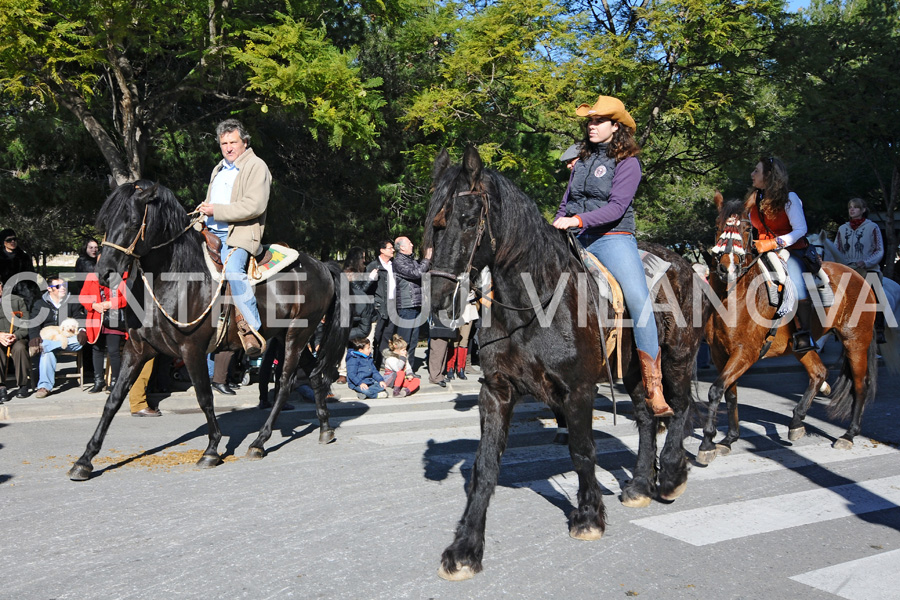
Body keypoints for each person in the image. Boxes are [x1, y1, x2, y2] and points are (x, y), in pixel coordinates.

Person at [551, 94, 672, 417]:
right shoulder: (582, 159)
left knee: (638, 299)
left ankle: (653, 384)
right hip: (575, 237)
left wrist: (576, 220)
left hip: (612, 237)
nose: (591, 126)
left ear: (615, 126)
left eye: (598, 121)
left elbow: (617, 208)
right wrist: (556, 225)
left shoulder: (628, 163)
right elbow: (567, 202)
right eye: (589, 121)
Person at [197, 119, 270, 359]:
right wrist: (201, 215)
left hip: (239, 234)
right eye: (224, 143)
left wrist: (215, 210)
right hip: (210, 232)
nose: (228, 147)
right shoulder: (218, 169)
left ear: (244, 142)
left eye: (233, 142)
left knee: (234, 271)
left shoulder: (256, 166)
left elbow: (254, 205)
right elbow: (211, 202)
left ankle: (252, 328)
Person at [747, 156, 816, 354]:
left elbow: (800, 229)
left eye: (756, 171)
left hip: (791, 251)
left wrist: (775, 243)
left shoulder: (790, 198)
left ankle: (804, 334)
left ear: (769, 175)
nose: (752, 175)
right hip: (761, 251)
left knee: (797, 284)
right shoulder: (754, 200)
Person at [835, 197, 886, 343]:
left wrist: (867, 262)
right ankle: (835, 328)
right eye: (850, 207)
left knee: (876, 294)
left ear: (863, 210)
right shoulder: (842, 229)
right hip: (847, 268)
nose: (852, 209)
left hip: (868, 267)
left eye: (856, 207)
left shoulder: (872, 227)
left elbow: (879, 249)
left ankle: (880, 329)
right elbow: (836, 249)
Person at [29, 276, 86, 398]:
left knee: (49, 346)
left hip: (70, 340)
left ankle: (46, 346)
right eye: (58, 286)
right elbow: (34, 324)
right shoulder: (40, 304)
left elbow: (80, 318)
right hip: (52, 337)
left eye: (64, 285)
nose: (63, 288)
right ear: (50, 289)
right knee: (47, 352)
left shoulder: (72, 302)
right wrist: (34, 337)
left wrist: (82, 330)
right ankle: (44, 387)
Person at [80, 266, 128, 393]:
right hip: (96, 317)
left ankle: (115, 382)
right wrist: (93, 305)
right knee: (97, 350)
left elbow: (128, 297)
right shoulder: (91, 277)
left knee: (113, 351)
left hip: (114, 318)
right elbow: (83, 296)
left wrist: (111, 303)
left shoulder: (122, 276)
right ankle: (99, 381)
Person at [392, 236, 432, 370]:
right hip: (406, 305)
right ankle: (400, 371)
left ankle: (410, 370)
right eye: (409, 243)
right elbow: (417, 273)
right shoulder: (398, 261)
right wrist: (426, 259)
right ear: (402, 247)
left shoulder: (411, 260)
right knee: (404, 341)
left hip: (416, 304)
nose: (412, 245)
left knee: (414, 340)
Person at [365, 240, 397, 369]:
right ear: (382, 250)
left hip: (392, 306)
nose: (393, 250)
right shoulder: (374, 266)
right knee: (375, 337)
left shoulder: (394, 265)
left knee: (387, 335)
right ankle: (371, 364)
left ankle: (381, 362)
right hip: (378, 306)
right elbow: (366, 288)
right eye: (390, 248)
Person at [0, 279, 30, 401]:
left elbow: (26, 324)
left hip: (16, 336)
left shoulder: (17, 300)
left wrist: (15, 336)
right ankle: (1, 387)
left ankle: (23, 384)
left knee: (20, 348)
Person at [445, 291, 479, 381]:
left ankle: (461, 369)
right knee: (454, 340)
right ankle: (450, 368)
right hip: (457, 309)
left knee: (464, 341)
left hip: (469, 309)